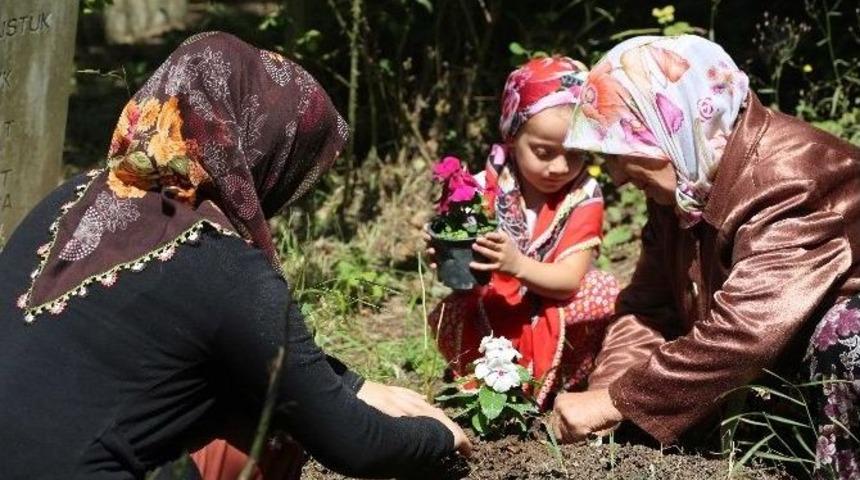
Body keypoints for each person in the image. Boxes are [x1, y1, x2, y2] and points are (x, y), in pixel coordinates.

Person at [0, 32, 469, 480]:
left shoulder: (73, 197)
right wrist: (438, 438)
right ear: (260, 152)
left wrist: (355, 385)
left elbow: (228, 335)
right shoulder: (225, 263)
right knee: (269, 418)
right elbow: (354, 443)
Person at [554, 34, 860, 478]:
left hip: (836, 364)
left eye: (622, 154)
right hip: (790, 376)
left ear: (670, 126)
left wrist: (617, 402)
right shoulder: (684, 188)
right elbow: (648, 309)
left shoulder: (791, 177)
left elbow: (751, 328)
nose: (617, 176)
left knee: (847, 334)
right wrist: (606, 398)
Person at [427, 57, 620, 408]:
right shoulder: (482, 187)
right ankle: (489, 384)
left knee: (601, 291)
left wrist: (516, 264)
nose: (560, 167)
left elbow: (570, 280)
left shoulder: (584, 194)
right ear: (513, 137)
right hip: (496, 307)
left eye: (575, 153)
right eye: (544, 152)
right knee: (448, 311)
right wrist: (447, 256)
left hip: (552, 305)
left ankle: (558, 385)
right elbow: (467, 282)